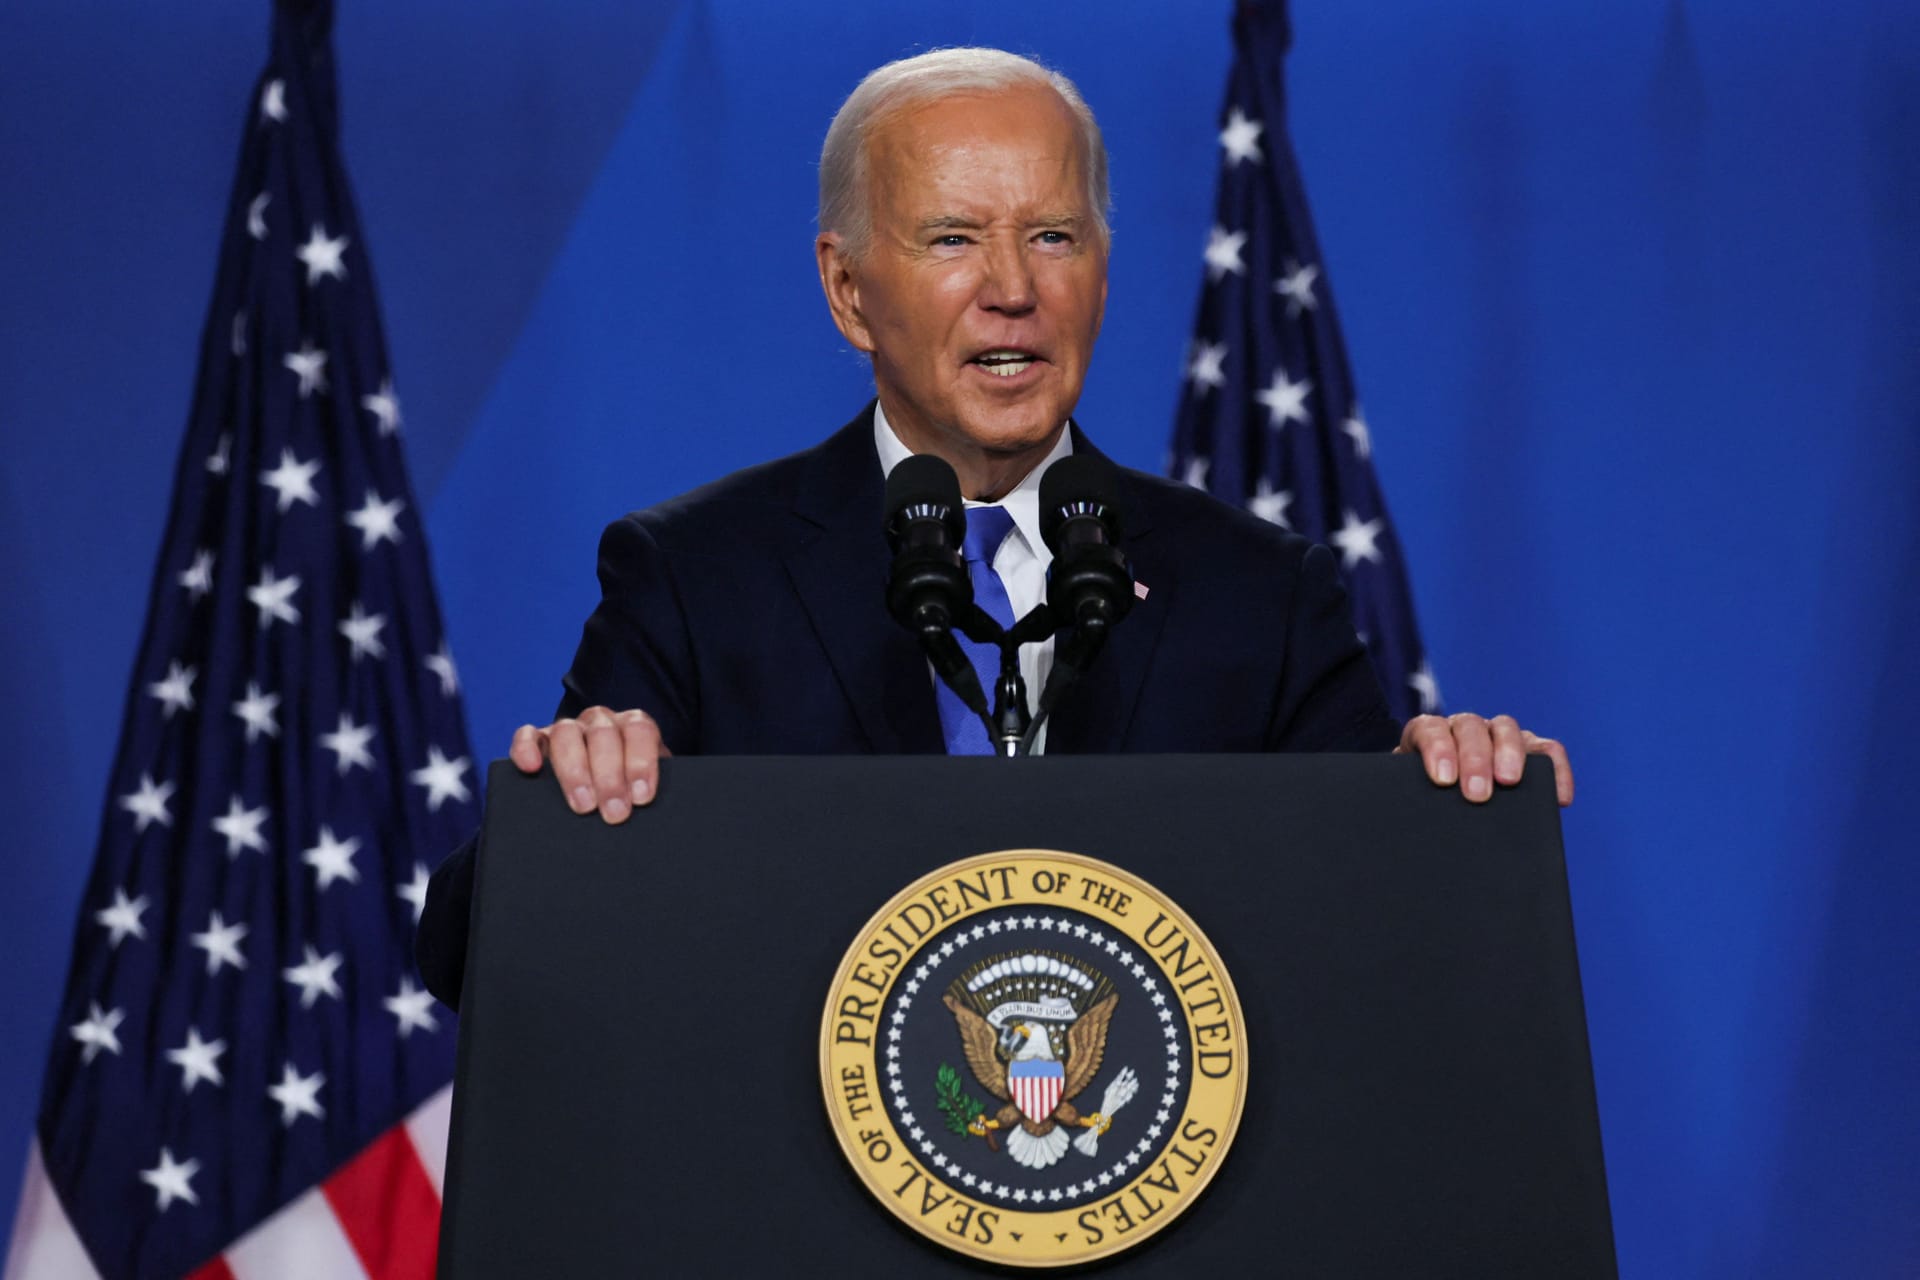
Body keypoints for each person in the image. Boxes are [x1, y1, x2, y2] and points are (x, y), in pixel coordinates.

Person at [417, 48, 1572, 1009]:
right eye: (953, 237)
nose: (1012, 287)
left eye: (1055, 236)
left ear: (1105, 274)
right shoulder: (698, 576)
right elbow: (473, 954)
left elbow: (1395, 948)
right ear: (849, 289)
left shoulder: (1257, 593)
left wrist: (1450, 806)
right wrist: (573, 810)